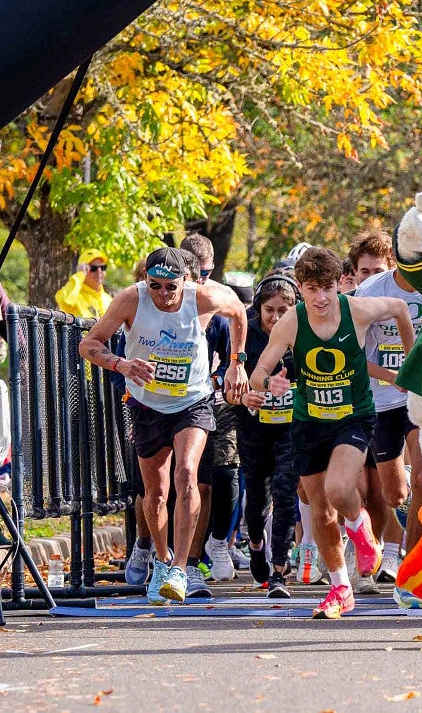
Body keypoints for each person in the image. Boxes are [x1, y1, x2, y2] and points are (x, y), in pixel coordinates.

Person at [249, 247, 415, 619]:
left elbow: (402, 309)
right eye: (312, 289)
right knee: (320, 512)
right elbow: (260, 369)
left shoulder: (356, 310)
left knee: (338, 488)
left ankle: (361, 528)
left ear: (340, 285)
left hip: (353, 417)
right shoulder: (292, 321)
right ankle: (341, 587)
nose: (321, 298)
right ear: (301, 288)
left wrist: (411, 362)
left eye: (327, 288)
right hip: (309, 421)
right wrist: (264, 385)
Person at [79, 247, 248, 604]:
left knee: (187, 474)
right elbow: (88, 343)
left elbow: (238, 314)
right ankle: (161, 559)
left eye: (171, 287)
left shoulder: (203, 297)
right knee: (155, 493)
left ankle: (181, 568)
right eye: (155, 286)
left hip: (193, 401)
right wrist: (120, 365)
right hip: (147, 404)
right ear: (145, 281)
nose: (163, 295)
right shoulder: (130, 300)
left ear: (185, 282)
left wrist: (237, 362)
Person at [352, 235, 422, 586]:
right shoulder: (370, 290)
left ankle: (409, 564)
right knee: (393, 494)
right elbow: (354, 355)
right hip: (381, 398)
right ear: (396, 256)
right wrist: (390, 374)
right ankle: (386, 533)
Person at [234, 274, 302, 597]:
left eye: (283, 310)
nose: (276, 318)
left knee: (286, 492)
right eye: (269, 310)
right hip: (253, 427)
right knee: (258, 499)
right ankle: (256, 543)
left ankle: (279, 572)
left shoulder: (303, 331)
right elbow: (224, 378)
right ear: (258, 307)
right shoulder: (244, 332)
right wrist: (244, 394)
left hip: (291, 427)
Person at [180, 232, 238, 595]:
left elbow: (235, 336)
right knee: (156, 488)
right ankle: (152, 553)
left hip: (204, 402)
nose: (199, 281)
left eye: (205, 272)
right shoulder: (155, 297)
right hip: (157, 404)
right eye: (193, 273)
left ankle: (192, 560)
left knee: (201, 478)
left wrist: (231, 370)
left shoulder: (216, 302)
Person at [56, 248, 112, 319]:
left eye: (103, 267)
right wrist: (80, 275)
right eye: (93, 268)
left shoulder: (109, 300)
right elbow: (65, 301)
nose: (99, 271)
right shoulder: (75, 295)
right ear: (84, 270)